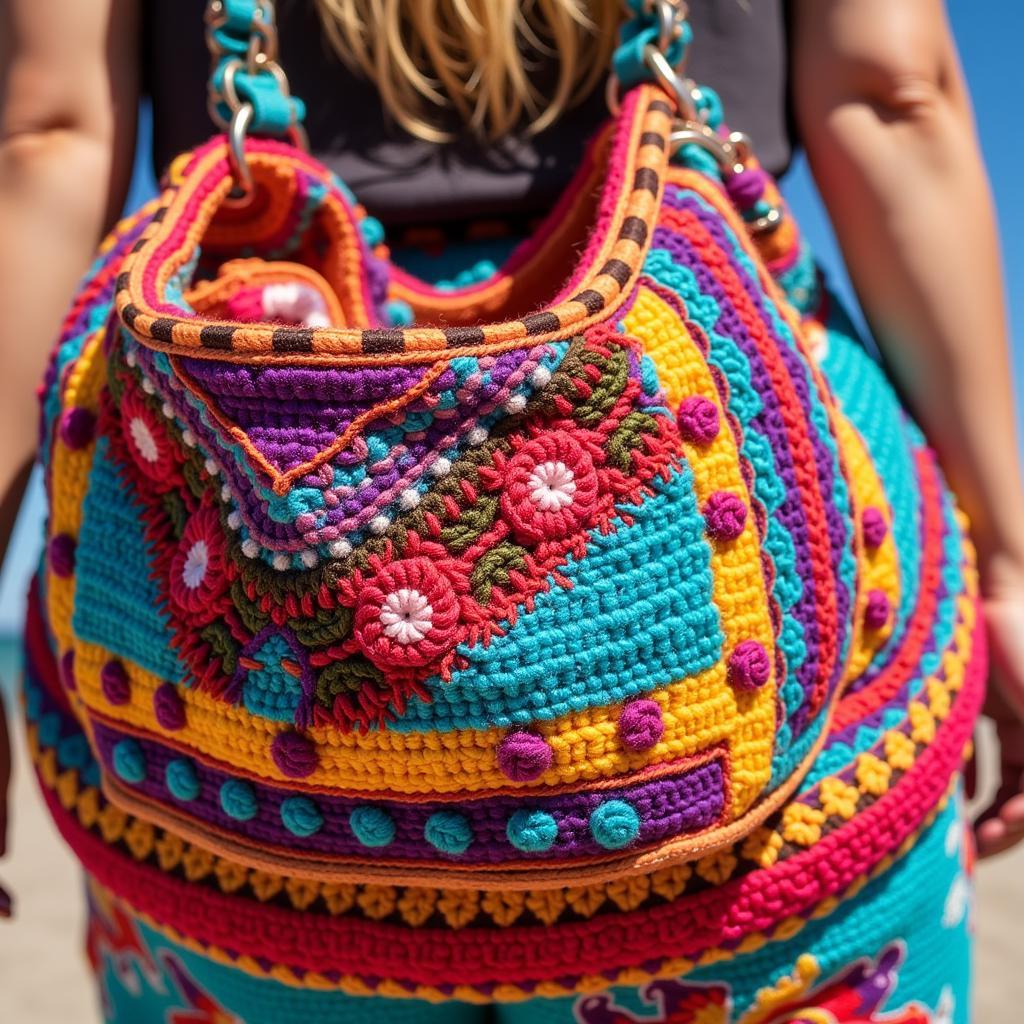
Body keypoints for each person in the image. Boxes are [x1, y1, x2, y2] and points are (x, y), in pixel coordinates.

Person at [0, 1, 1021, 1021]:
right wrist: (1010, 568)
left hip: (248, 442)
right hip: (702, 377)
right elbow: (893, 97)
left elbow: (47, 140)